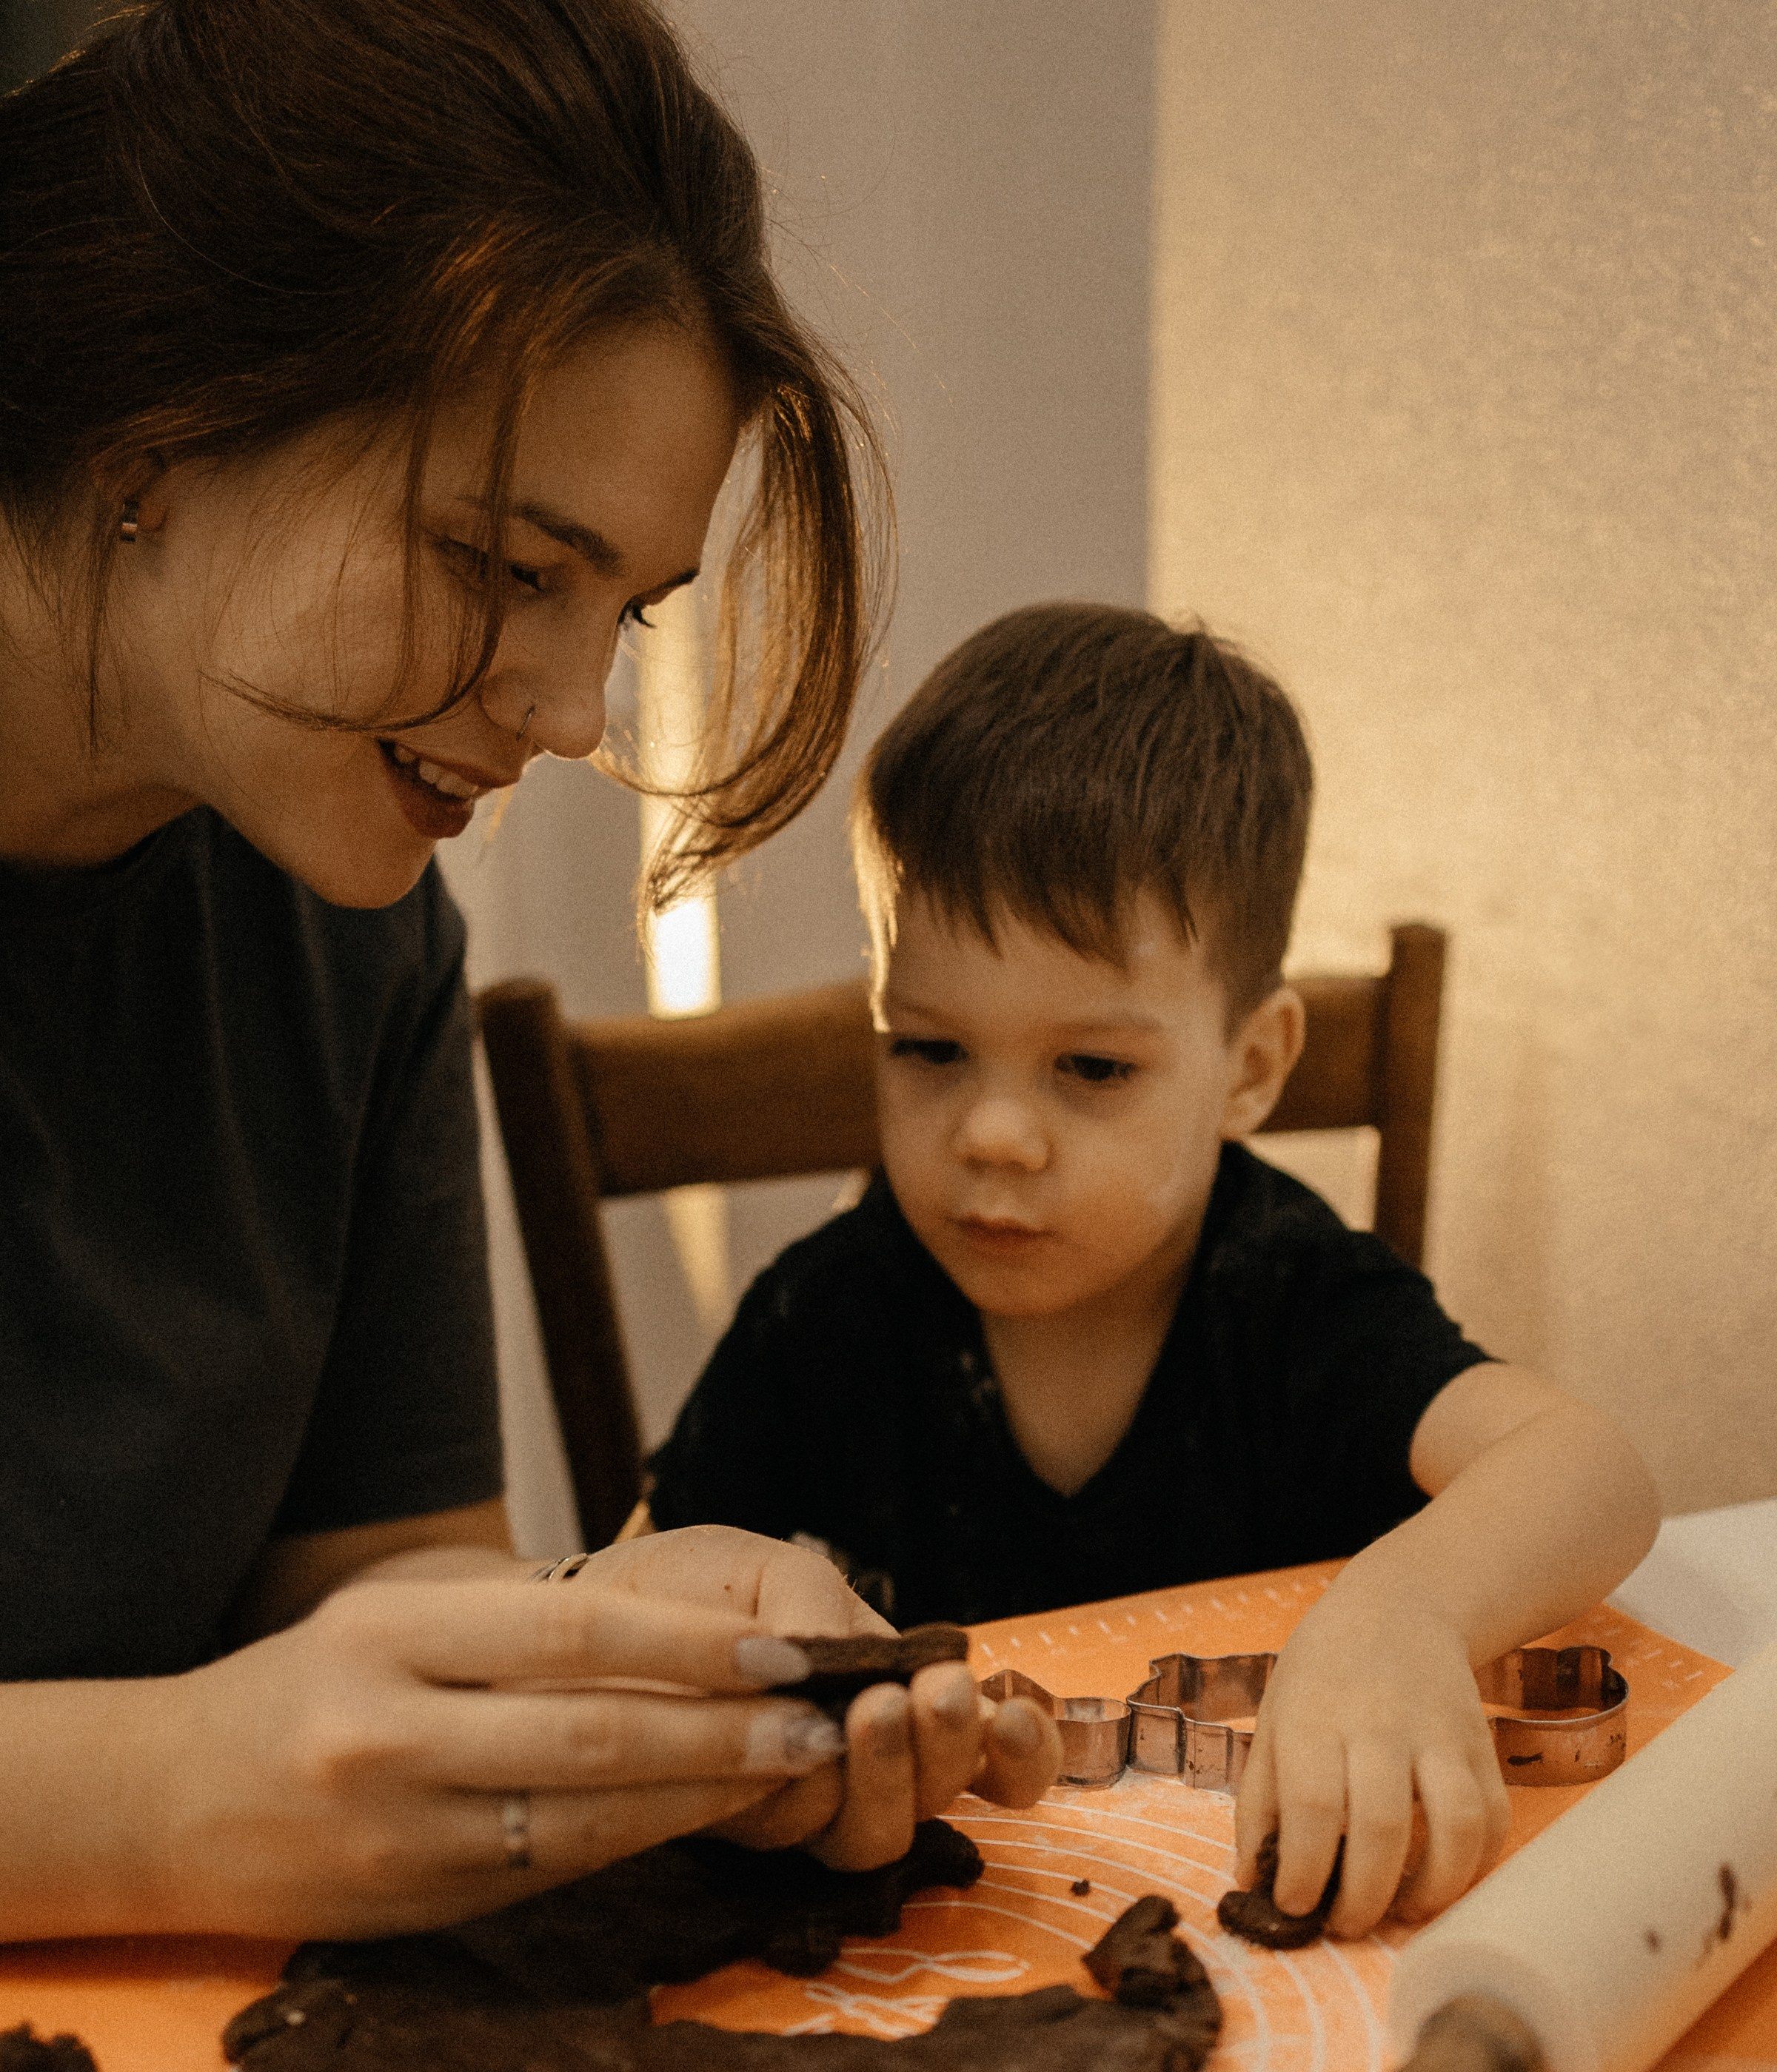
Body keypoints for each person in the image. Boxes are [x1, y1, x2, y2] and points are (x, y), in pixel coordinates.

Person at [0, 0, 1057, 1946]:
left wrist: (625, 1658)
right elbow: (210, 1769)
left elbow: (375, 1575)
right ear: (153, 428)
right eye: (503, 565)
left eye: (622, 611)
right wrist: (149, 1805)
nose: (574, 711)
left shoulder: (350, 913)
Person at [642, 603, 1661, 1939]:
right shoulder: (822, 1319)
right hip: (955, 1934)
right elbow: (649, 1586)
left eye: (1093, 1069)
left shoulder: (1286, 1296)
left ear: (1252, 1067)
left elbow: (1594, 1472)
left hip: (1269, 1923)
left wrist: (1398, 1618)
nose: (991, 1135)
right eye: (929, 1048)